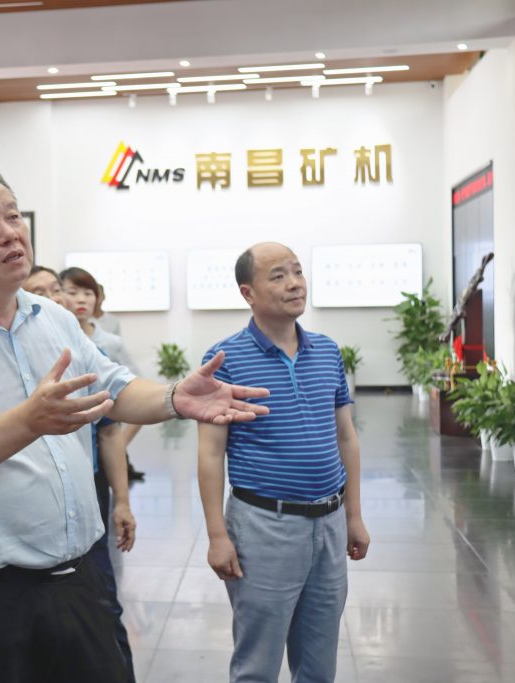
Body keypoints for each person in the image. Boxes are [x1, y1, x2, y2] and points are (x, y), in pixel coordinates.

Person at [0, 164, 269, 683]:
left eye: (12, 216)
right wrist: (28, 422)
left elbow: (115, 389)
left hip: (77, 584)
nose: (10, 233)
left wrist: (175, 397)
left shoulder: (53, 318)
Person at [197, 242, 370, 683]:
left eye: (297, 272)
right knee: (257, 665)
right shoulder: (224, 361)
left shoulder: (327, 351)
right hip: (263, 528)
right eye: (278, 275)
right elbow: (210, 453)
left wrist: (354, 515)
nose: (294, 283)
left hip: (329, 524)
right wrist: (217, 535)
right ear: (248, 293)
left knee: (319, 665)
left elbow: (346, 436)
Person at [24, 266, 137, 679]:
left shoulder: (86, 350)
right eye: (39, 292)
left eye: (56, 289)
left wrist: (121, 500)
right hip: (33, 510)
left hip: (86, 493)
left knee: (103, 608)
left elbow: (110, 429)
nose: (54, 298)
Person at [60, 266, 146, 481]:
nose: (81, 299)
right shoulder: (52, 338)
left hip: (103, 443)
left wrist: (120, 445)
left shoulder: (110, 343)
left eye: (88, 293)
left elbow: (136, 387)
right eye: (73, 293)